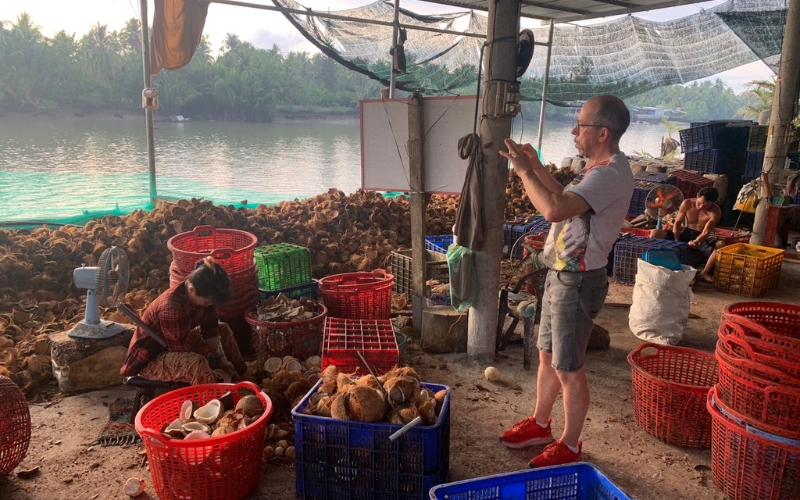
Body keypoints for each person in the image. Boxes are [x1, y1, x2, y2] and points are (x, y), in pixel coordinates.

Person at [498, 95, 634, 468]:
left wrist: (523, 172)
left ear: (602, 133)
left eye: (581, 125)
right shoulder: (595, 167)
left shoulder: (610, 174)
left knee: (568, 368)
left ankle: (570, 444)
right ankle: (541, 424)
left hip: (579, 280)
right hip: (561, 275)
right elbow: (562, 195)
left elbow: (553, 209)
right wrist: (536, 166)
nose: (574, 131)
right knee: (548, 356)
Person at [120, 256, 247, 385]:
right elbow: (180, 351)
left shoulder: (204, 294)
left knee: (223, 329)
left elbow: (211, 331)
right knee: (197, 363)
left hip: (177, 342)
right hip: (152, 358)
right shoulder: (171, 307)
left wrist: (222, 361)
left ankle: (242, 375)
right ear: (192, 290)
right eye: (207, 301)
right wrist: (213, 375)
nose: (210, 305)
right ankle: (213, 399)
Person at [649, 187, 722, 283]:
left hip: (702, 237)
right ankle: (652, 261)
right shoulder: (687, 203)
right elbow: (678, 223)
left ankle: (704, 272)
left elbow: (705, 232)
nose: (701, 207)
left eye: (706, 205)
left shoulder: (715, 211)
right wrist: (676, 240)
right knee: (655, 232)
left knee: (720, 244)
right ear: (697, 196)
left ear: (712, 203)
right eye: (700, 203)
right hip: (686, 233)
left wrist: (697, 241)